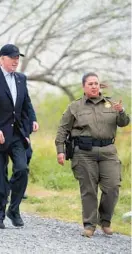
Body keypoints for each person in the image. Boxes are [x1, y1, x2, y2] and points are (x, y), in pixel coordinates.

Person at [55, 72, 130, 237]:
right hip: (84, 153)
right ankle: (89, 225)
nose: (94, 86)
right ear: (84, 87)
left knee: (112, 187)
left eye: (96, 83)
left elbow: (124, 123)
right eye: (90, 84)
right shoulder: (75, 106)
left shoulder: (111, 104)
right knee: (89, 189)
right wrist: (60, 150)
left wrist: (122, 111)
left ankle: (105, 221)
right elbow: (63, 129)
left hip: (108, 152)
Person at [0, 44, 33, 229]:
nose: (16, 61)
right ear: (1, 59)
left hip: (18, 134)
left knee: (22, 169)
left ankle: (14, 208)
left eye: (17, 58)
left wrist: (29, 127)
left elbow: (26, 105)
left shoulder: (21, 78)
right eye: (12, 57)